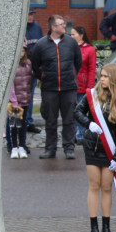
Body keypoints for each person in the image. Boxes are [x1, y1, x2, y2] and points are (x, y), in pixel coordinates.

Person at [74, 63, 116, 232]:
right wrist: (88, 124)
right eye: (100, 75)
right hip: (92, 147)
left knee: (106, 187)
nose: (101, 79)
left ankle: (106, 227)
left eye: (105, 76)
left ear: (113, 78)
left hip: (110, 150)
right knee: (94, 186)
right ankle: (93, 227)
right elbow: (77, 112)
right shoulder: (92, 95)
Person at [29, 15, 81, 159]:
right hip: (49, 88)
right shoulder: (41, 44)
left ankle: (69, 148)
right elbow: (35, 65)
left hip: (68, 87)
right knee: (50, 120)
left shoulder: (71, 43)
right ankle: (50, 149)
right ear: (53, 27)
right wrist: (44, 77)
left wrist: (70, 75)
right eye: (61, 24)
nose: (65, 26)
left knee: (69, 120)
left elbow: (78, 62)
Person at [6, 46, 33, 159]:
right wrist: (13, 100)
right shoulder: (12, 64)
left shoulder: (28, 63)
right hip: (15, 101)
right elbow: (10, 85)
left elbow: (30, 80)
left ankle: (21, 146)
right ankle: (13, 147)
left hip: (25, 99)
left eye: (22, 51)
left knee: (23, 125)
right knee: (14, 125)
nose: (21, 53)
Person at [24, 7, 43, 133]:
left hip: (34, 66)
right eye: (28, 14)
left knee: (30, 95)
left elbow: (41, 44)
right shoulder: (20, 27)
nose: (30, 16)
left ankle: (29, 121)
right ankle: (21, 121)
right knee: (21, 96)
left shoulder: (37, 28)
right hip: (23, 65)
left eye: (32, 14)